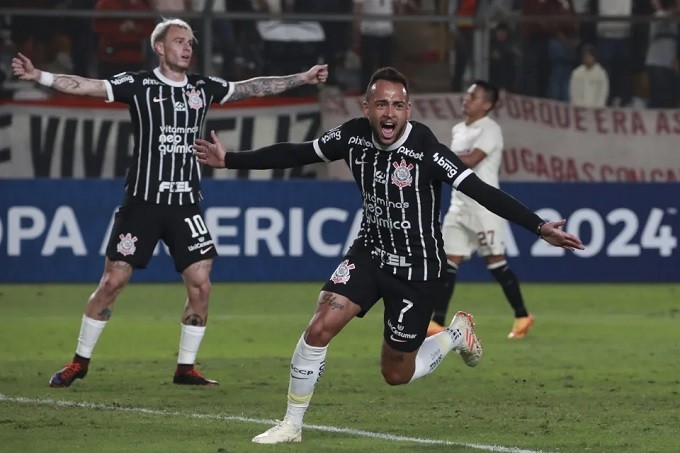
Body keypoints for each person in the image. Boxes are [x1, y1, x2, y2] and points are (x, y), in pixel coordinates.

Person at [193, 67, 584, 443]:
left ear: (408, 110)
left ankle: (455, 335)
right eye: (381, 104)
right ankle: (291, 425)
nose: (389, 112)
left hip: (417, 268)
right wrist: (230, 159)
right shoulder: (352, 136)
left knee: (396, 373)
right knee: (319, 328)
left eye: (398, 105)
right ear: (367, 107)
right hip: (370, 252)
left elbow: (481, 190)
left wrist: (538, 226)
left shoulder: (427, 149)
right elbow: (297, 153)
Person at [11, 18, 328, 388]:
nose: (187, 47)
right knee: (112, 281)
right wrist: (40, 76)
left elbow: (251, 87)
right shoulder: (139, 85)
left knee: (201, 284)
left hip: (184, 205)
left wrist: (302, 78)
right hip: (143, 202)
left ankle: (185, 368)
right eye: (179, 41)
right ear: (159, 48)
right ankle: (79, 362)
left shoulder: (202, 88)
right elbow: (87, 86)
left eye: (190, 42)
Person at [427, 80, 534, 341]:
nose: (466, 99)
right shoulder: (458, 129)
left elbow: (473, 160)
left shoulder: (491, 129)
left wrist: (437, 159)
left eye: (473, 96)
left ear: (487, 104)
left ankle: (522, 315)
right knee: (447, 263)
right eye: (467, 94)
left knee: (496, 264)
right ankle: (437, 322)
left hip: (484, 207)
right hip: (459, 206)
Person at [569, 43, 609, 108]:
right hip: (580, 108)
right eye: (585, 56)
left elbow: (603, 92)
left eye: (590, 56)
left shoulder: (601, 73)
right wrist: (578, 106)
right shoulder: (577, 73)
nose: (587, 58)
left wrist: (598, 106)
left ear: (594, 57)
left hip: (596, 108)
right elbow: (574, 92)